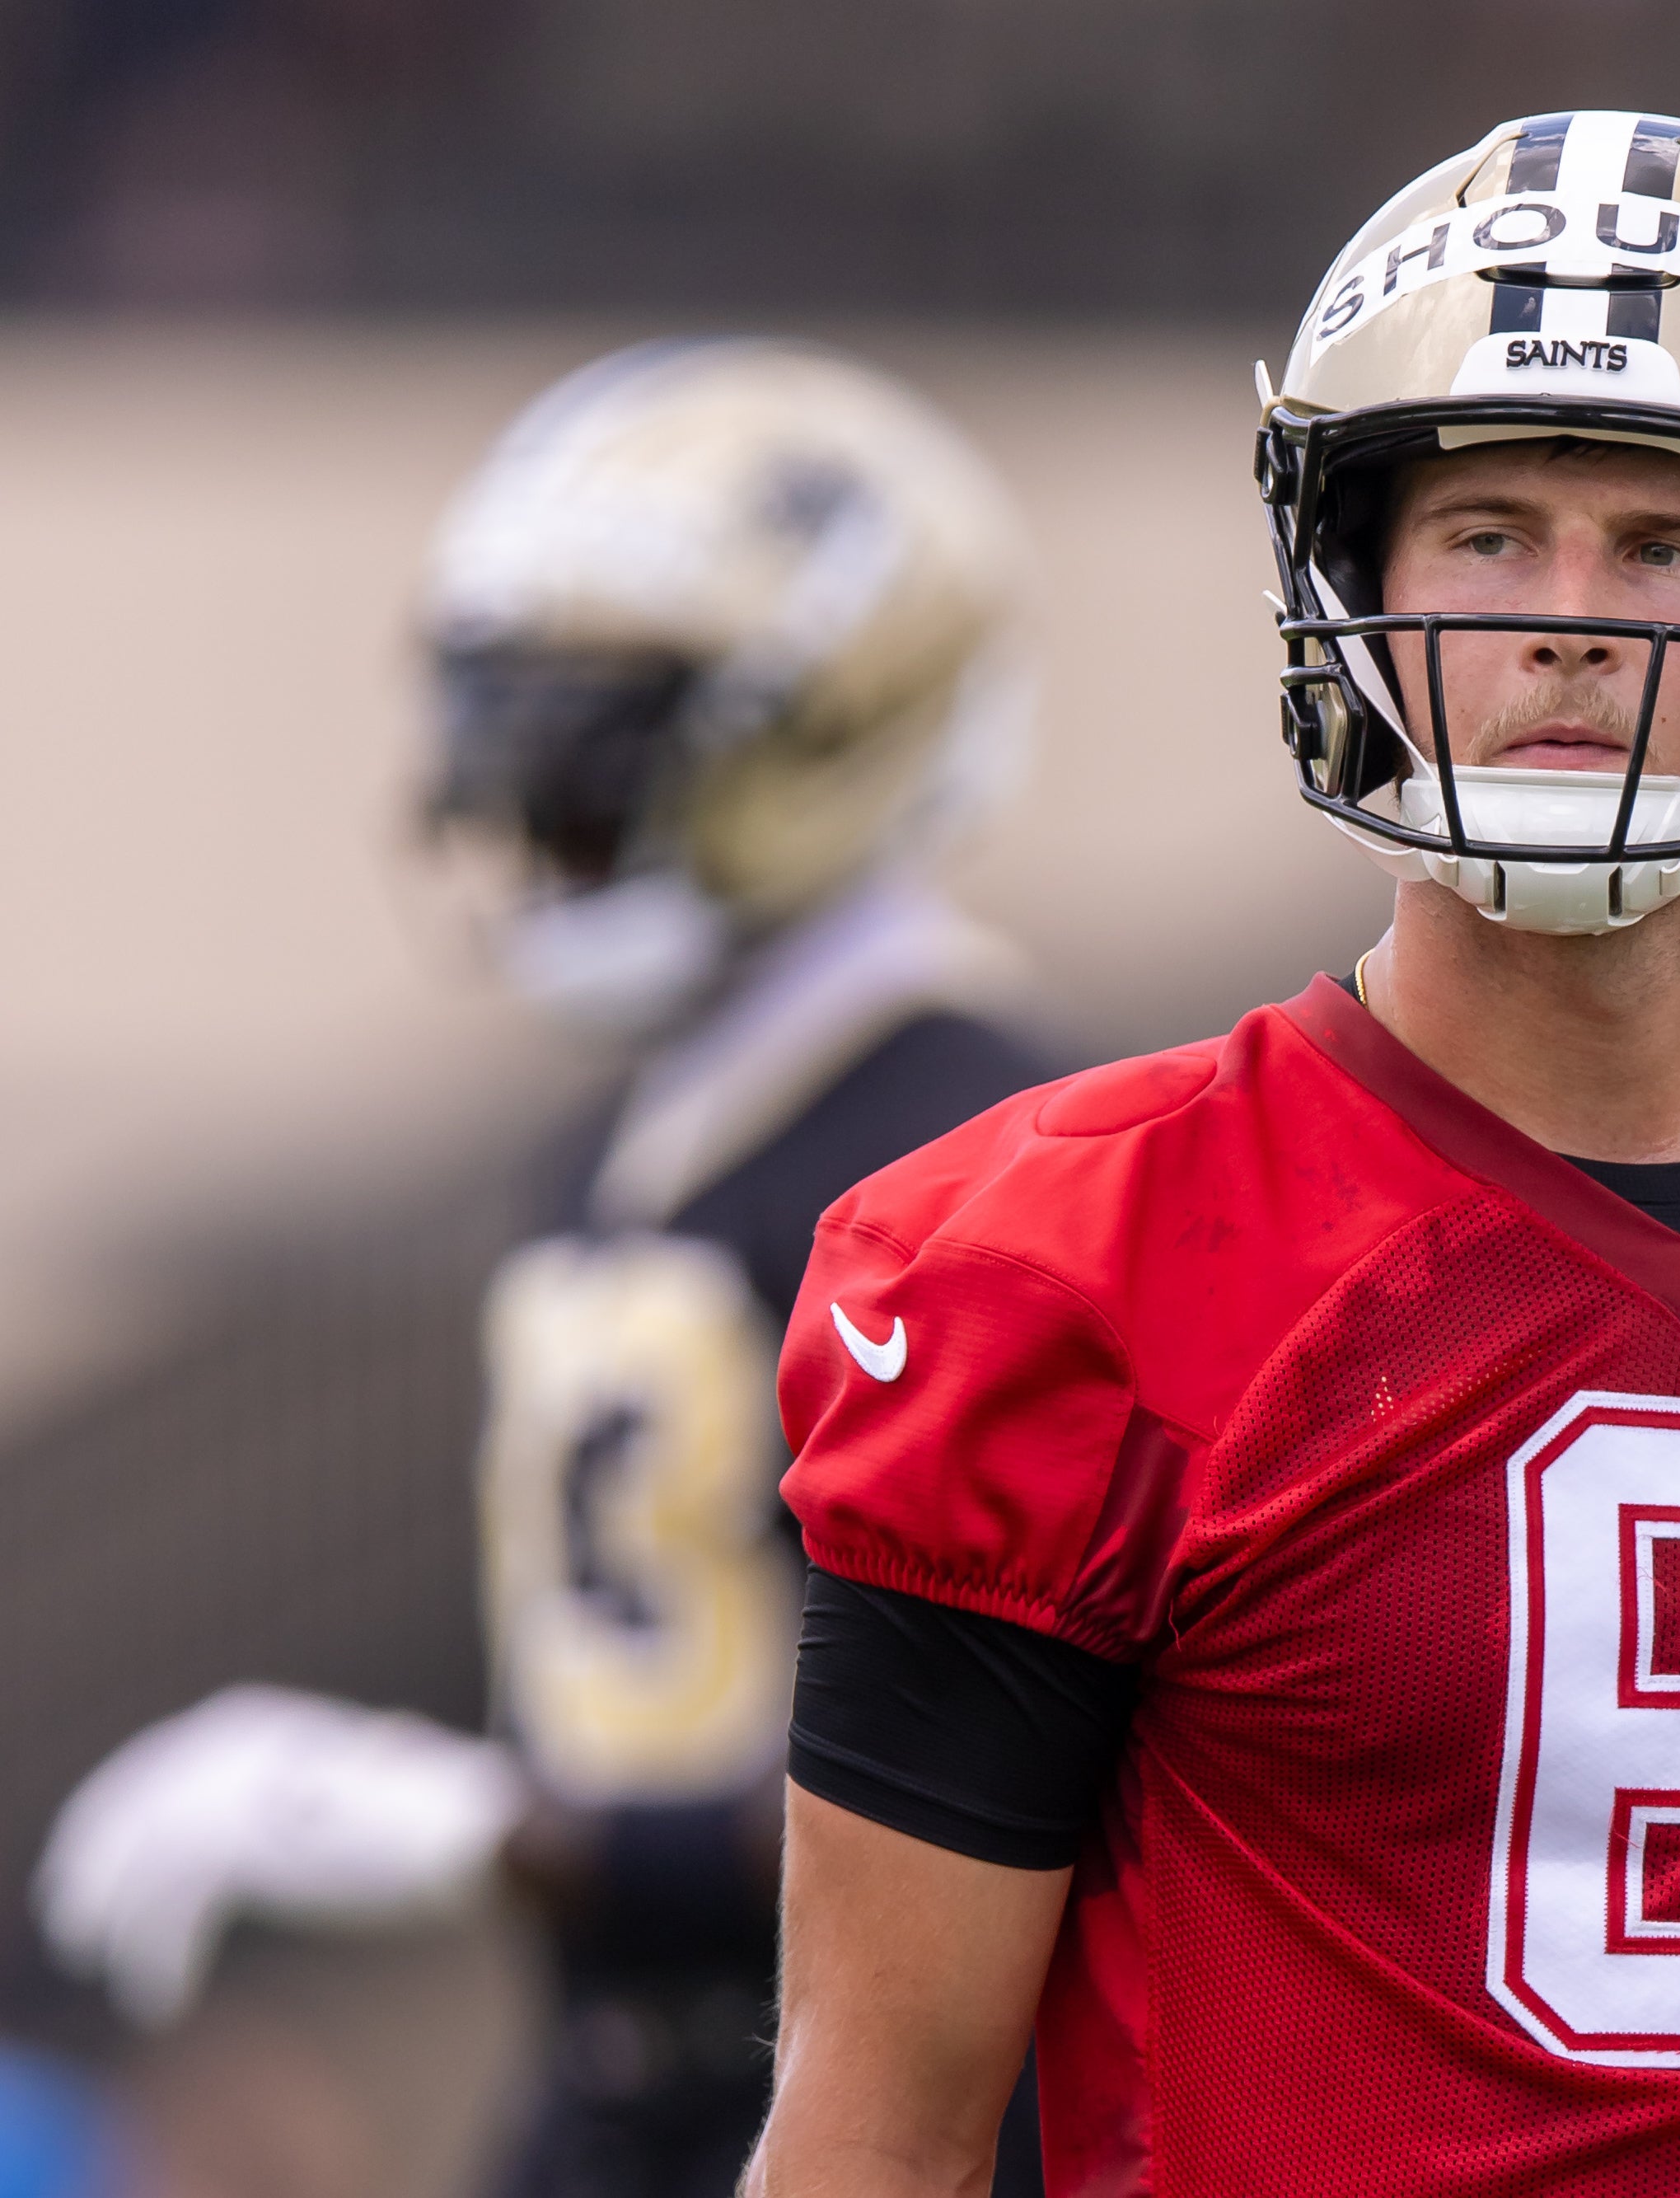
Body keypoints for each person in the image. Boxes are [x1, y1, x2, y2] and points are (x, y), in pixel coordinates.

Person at [750, 113, 1680, 2198]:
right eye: (1486, 533)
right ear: (1356, 586)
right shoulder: (1068, 1272)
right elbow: (880, 2143)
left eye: (1661, 546)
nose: (1568, 619)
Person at [35, 339, 1064, 2198]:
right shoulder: (619, 1142)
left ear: (828, 723)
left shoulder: (988, 1163)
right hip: (628, 2085)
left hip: (905, 2112)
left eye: (588, 751)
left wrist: (485, 1828)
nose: (532, 820)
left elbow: (1014, 1787)